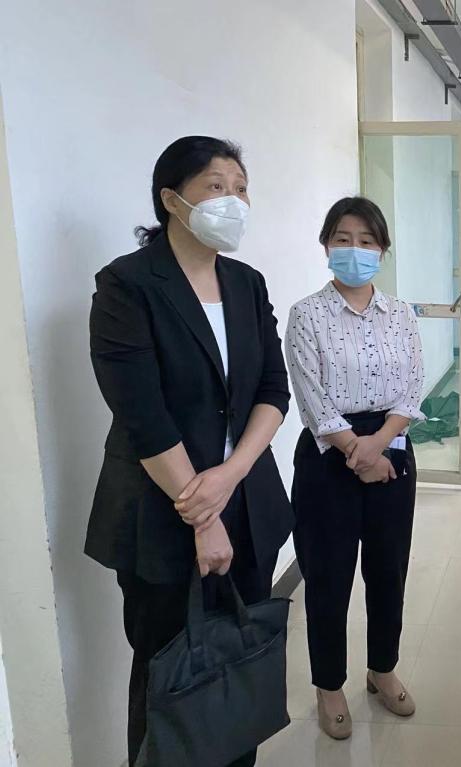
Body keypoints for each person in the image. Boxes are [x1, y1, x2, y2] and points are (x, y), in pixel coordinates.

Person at [87, 136, 293, 767]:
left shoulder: (247, 283)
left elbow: (273, 389)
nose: (234, 200)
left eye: (241, 187)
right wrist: (203, 516)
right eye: (216, 186)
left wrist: (231, 475)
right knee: (168, 680)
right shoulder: (127, 285)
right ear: (171, 199)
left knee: (238, 667)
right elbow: (143, 416)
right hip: (162, 515)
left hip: (247, 506)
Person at [286, 196, 423, 740]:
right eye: (343, 239)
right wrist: (356, 453)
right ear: (326, 245)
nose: (355, 250)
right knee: (328, 577)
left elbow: (412, 387)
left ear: (382, 250)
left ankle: (382, 669)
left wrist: (380, 446)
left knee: (388, 571)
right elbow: (311, 397)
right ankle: (328, 685)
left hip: (392, 449)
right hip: (328, 457)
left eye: (366, 241)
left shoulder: (401, 314)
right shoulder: (307, 314)